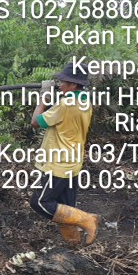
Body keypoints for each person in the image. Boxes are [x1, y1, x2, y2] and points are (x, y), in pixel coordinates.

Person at [30, 63, 98, 246]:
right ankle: (74, 244)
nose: (60, 86)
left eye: (63, 82)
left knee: (40, 202)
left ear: (73, 85)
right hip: (73, 162)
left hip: (59, 163)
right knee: (65, 208)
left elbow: (36, 122)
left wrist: (43, 100)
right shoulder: (85, 101)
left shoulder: (65, 104)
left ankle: (86, 219)